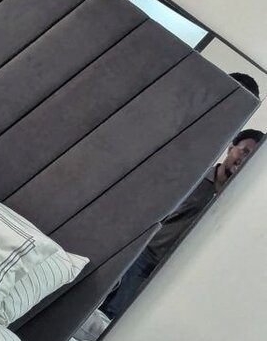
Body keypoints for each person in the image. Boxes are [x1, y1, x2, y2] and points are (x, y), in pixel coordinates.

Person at [101, 128, 263, 319]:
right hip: (141, 260)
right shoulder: (192, 178)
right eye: (244, 151)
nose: (245, 159)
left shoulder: (234, 204)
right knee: (103, 315)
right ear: (230, 148)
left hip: (170, 280)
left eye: (251, 157)